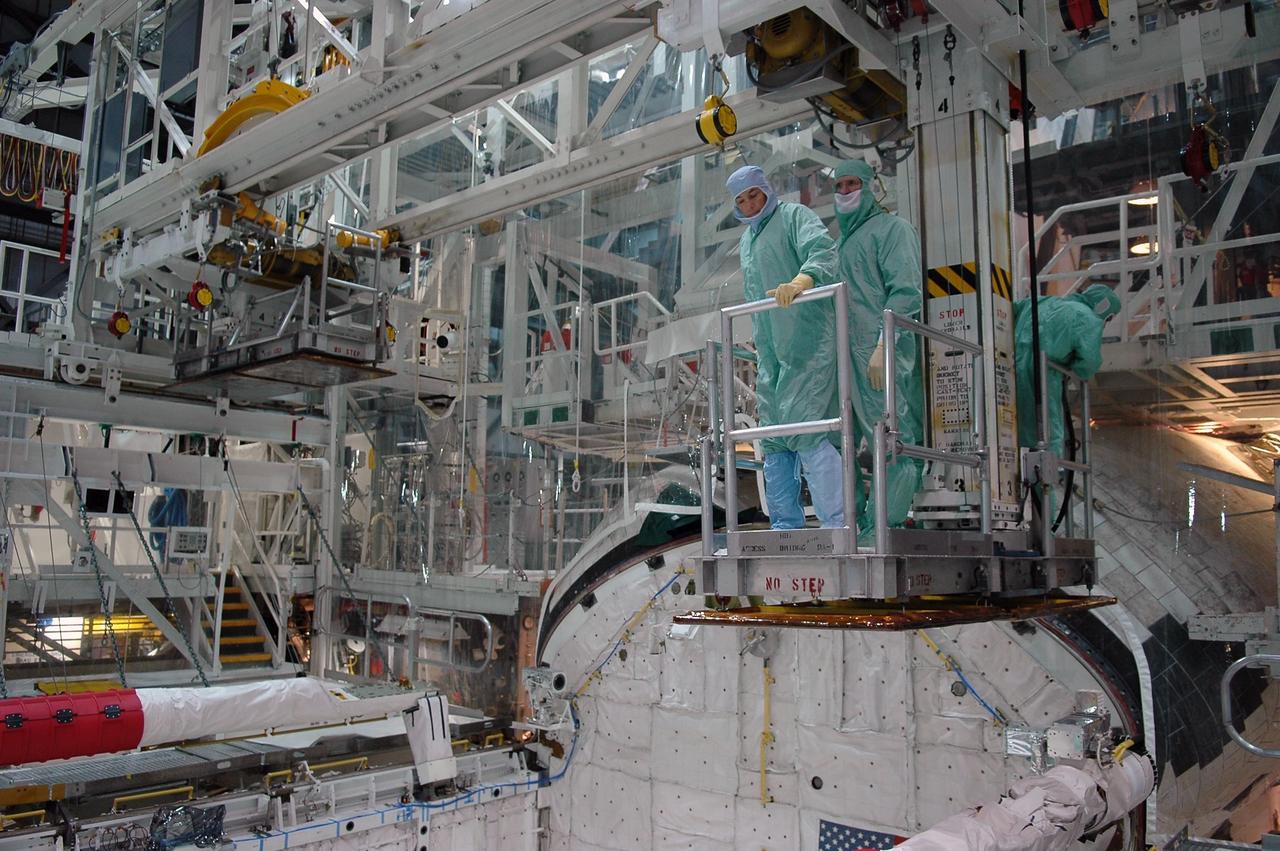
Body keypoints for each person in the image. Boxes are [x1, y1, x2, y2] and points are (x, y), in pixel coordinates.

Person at [727, 165, 844, 530]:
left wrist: (802, 280)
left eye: (754, 195)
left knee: (808, 430)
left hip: (807, 346)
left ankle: (837, 523)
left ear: (766, 190)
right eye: (741, 200)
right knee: (774, 439)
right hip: (771, 354)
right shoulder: (748, 241)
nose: (749, 204)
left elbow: (824, 252)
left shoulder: (794, 216)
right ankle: (785, 527)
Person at [832, 159, 923, 535]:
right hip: (843, 356)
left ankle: (885, 523)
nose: (844, 193)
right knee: (839, 441)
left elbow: (905, 292)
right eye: (838, 187)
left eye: (852, 184)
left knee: (890, 439)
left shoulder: (892, 230)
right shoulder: (839, 244)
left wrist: (885, 344)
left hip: (878, 354)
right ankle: (852, 522)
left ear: (872, 187)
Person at [1013, 283, 1121, 457]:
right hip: (1043, 376)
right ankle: (1046, 482)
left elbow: (1011, 310)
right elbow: (1088, 363)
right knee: (1048, 432)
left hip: (1009, 370)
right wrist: (1071, 368)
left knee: (1009, 426)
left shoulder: (1040, 301)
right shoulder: (1088, 318)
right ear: (1104, 309)